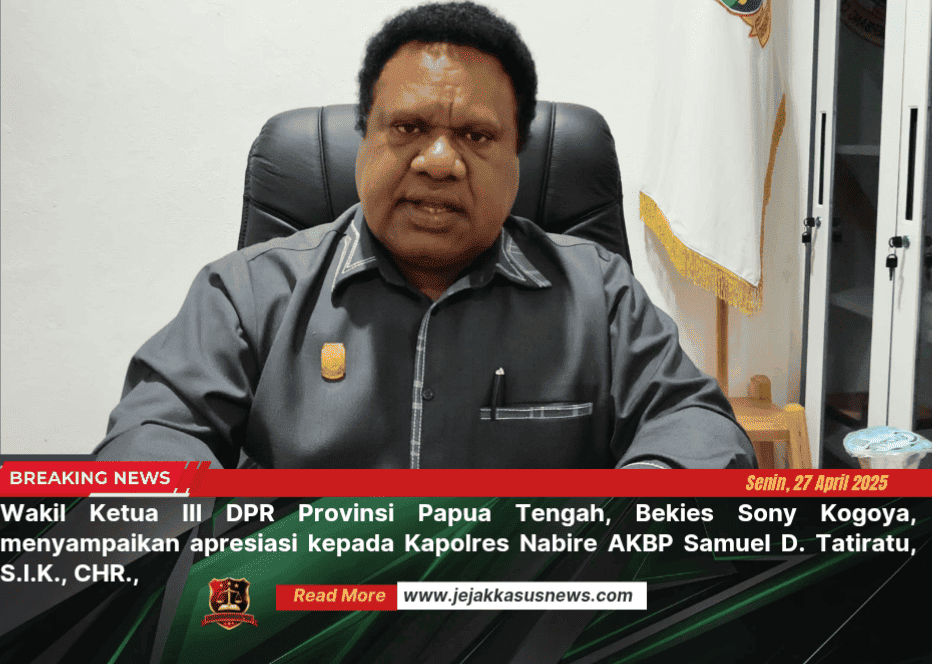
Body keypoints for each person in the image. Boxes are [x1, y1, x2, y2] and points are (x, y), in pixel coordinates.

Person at [95, 1, 756, 469]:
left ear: (517, 159)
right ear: (364, 141)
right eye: (409, 128)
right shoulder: (246, 292)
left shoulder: (599, 294)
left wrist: (620, 529)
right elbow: (150, 439)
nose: (439, 162)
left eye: (475, 135)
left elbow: (694, 428)